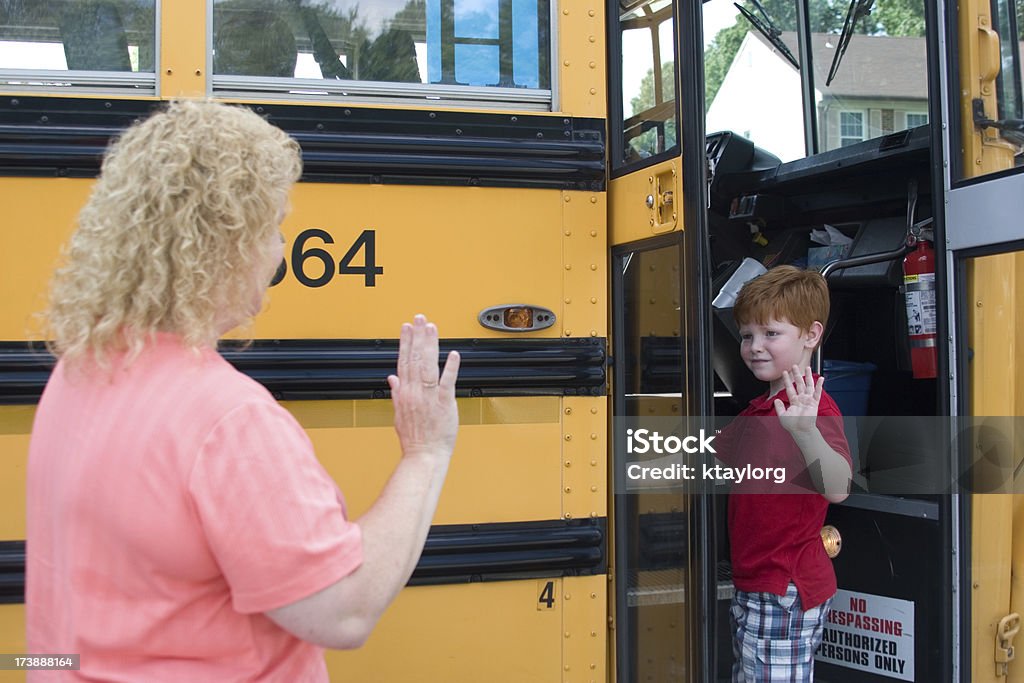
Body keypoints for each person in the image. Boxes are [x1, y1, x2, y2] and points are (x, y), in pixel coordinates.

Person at [25, 99, 460, 682]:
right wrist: (425, 455)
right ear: (223, 241)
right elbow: (343, 610)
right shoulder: (225, 421)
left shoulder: (79, 374)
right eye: (274, 227)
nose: (282, 252)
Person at [714, 265, 852, 683]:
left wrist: (805, 434)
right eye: (746, 335)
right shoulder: (758, 410)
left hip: (785, 589)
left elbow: (839, 487)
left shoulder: (815, 412)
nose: (755, 346)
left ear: (811, 335)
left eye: (771, 334)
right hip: (755, 583)